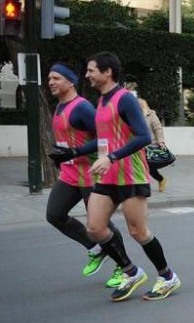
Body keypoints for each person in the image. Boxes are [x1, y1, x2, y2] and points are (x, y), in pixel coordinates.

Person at [77, 52, 180, 302]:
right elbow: (104, 140)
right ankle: (131, 272)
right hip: (107, 176)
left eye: (91, 70)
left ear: (107, 72)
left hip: (131, 174)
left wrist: (111, 158)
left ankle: (167, 277)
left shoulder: (125, 100)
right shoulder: (101, 101)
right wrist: (74, 152)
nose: (87, 75)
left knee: (138, 231)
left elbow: (144, 136)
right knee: (95, 227)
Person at [45, 62, 124, 289]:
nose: (51, 82)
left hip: (91, 175)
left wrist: (76, 151)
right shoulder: (60, 106)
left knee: (100, 224)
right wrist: (63, 155)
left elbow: (104, 138)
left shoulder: (82, 108)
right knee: (55, 214)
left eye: (56, 78)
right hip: (70, 174)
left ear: (71, 81)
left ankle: (123, 267)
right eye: (50, 78)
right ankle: (96, 248)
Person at [126, 82, 168, 192]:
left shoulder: (151, 115)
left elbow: (158, 129)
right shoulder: (132, 115)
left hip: (151, 145)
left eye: (139, 104)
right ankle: (138, 184)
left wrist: (161, 141)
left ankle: (161, 179)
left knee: (150, 169)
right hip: (137, 146)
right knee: (138, 166)